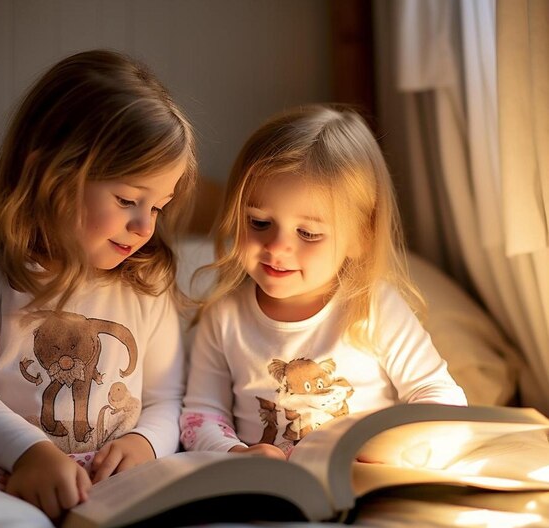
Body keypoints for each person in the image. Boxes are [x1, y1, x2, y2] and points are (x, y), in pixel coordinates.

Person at [0, 49, 197, 519]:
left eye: (158, 207)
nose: (144, 227)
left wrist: (145, 441)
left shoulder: (147, 285)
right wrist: (28, 451)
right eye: (129, 199)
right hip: (4, 462)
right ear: (48, 175)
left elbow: (165, 397)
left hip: (108, 482)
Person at [180, 104, 467, 460]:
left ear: (361, 236)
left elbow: (439, 393)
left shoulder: (372, 308)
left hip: (360, 480)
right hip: (269, 488)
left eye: (308, 233)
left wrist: (389, 446)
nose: (277, 247)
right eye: (258, 223)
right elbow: (200, 414)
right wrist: (235, 452)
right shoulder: (224, 316)